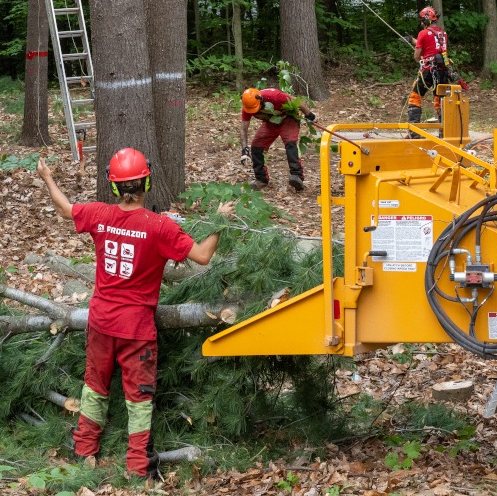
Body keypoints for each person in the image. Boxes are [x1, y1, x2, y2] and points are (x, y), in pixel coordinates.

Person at [36, 150, 233, 479]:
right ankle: (138, 468)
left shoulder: (99, 214)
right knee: (138, 398)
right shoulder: (159, 227)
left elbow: (64, 208)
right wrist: (219, 221)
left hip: (100, 322)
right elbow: (202, 255)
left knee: (95, 387)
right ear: (147, 183)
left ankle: (84, 452)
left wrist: (47, 177)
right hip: (137, 329)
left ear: (114, 188)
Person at [240, 86, 314, 191]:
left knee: (290, 143)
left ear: (260, 100)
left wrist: (309, 114)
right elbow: (243, 129)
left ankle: (297, 176)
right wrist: (244, 150)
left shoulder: (274, 96)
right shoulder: (247, 106)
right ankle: (261, 179)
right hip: (271, 122)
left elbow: (296, 101)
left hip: (288, 118)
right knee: (257, 146)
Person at [407, 6, 452, 131]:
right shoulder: (443, 33)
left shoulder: (423, 33)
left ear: (425, 21)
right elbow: (432, 45)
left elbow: (417, 55)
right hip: (442, 72)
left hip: (428, 72)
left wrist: (420, 58)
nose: (421, 23)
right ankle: (444, 132)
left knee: (415, 97)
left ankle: (413, 132)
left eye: (422, 20)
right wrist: (412, 41)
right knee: (440, 101)